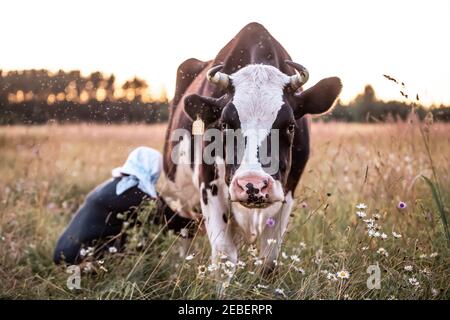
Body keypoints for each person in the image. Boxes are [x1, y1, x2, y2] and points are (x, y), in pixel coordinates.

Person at [53, 146, 194, 265]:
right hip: (82, 259)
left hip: (63, 254)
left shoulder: (112, 185)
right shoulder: (138, 195)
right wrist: (201, 222)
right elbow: (173, 223)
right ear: (152, 169)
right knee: (145, 248)